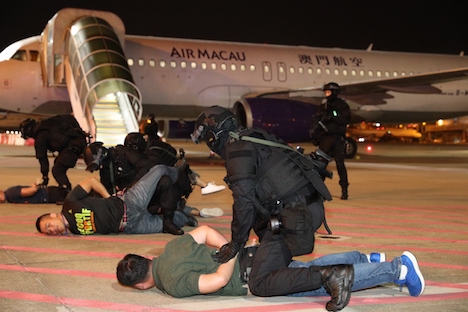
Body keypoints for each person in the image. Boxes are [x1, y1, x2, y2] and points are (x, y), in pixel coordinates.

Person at [116, 225, 425, 312]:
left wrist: (231, 257)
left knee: (319, 283)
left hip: (256, 277)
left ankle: (397, 269)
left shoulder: (171, 285)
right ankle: (367, 260)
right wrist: (234, 246)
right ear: (147, 258)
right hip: (258, 253)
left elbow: (218, 280)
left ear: (142, 285)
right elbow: (208, 230)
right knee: (310, 270)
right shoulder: (170, 248)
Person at [190, 106, 333, 264]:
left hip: (298, 215)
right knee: (266, 250)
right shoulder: (255, 135)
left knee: (261, 280)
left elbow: (243, 202)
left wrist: (236, 244)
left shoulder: (238, 150)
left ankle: (330, 275)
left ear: (213, 135)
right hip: (307, 206)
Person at [35, 164, 190, 236]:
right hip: (131, 227)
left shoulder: (70, 202)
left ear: (53, 215)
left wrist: (109, 198)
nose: (51, 229)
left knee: (159, 169)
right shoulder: (74, 231)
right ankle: (184, 212)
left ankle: (179, 172)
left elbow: (91, 181)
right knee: (178, 221)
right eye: (48, 231)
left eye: (48, 225)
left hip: (129, 204)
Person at [143, 118, 226, 196]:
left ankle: (204, 186)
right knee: (184, 170)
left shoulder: (148, 145)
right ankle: (204, 185)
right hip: (167, 170)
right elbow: (173, 152)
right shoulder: (159, 144)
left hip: (156, 172)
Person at [19, 115, 88, 191]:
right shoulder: (47, 123)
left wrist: (45, 178)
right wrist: (78, 132)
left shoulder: (40, 136)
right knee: (58, 163)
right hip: (79, 141)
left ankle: (66, 191)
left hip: (73, 147)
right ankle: (65, 189)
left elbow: (43, 160)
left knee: (57, 170)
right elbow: (69, 117)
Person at [309, 82, 351, 200]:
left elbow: (345, 120)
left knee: (340, 165)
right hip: (326, 139)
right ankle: (318, 191)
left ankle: (344, 190)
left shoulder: (342, 105)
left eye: (328, 92)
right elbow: (317, 119)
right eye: (325, 92)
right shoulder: (324, 106)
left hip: (337, 138)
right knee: (320, 165)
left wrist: (333, 116)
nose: (326, 94)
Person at [0, 184, 69, 204]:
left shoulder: (11, 193)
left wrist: (34, 187)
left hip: (48, 194)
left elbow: (31, 191)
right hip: (47, 195)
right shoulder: (9, 197)